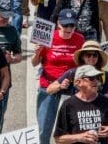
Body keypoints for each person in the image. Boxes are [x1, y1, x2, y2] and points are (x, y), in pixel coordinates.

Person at [32, 9, 85, 144]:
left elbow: (83, 63)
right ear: (58, 24)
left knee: (72, 128)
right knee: (44, 127)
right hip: (49, 85)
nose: (68, 29)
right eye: (65, 25)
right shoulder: (48, 36)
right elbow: (34, 63)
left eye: (71, 25)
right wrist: (37, 53)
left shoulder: (80, 39)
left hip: (71, 86)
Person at [53, 65, 108, 144]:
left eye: (98, 78)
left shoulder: (107, 102)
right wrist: (79, 137)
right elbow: (58, 139)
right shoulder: (68, 105)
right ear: (79, 82)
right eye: (91, 78)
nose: (96, 81)